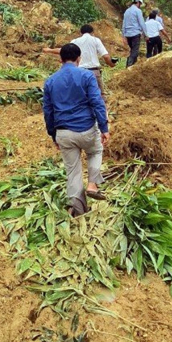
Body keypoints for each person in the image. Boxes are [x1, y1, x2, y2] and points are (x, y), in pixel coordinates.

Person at [43, 43, 109, 217]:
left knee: (73, 171)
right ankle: (93, 184)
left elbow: (48, 111)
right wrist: (104, 127)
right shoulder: (87, 76)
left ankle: (78, 212)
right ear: (79, 59)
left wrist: (53, 135)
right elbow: (97, 102)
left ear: (60, 59)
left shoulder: (50, 81)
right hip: (87, 129)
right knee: (95, 151)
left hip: (63, 133)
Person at [42, 24, 116, 97]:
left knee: (80, 97)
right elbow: (106, 56)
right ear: (92, 33)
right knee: (99, 96)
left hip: (78, 73)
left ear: (81, 33)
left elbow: (62, 50)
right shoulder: (96, 40)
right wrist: (111, 64)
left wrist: (49, 50)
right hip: (94, 72)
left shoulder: (75, 41)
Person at [121, 0, 146, 67]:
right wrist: (146, 34)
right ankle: (129, 65)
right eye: (140, 4)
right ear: (138, 2)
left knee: (133, 51)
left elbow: (124, 24)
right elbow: (142, 23)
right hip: (135, 34)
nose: (140, 5)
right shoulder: (138, 11)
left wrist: (123, 36)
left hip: (128, 35)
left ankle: (133, 67)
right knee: (135, 52)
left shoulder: (127, 11)